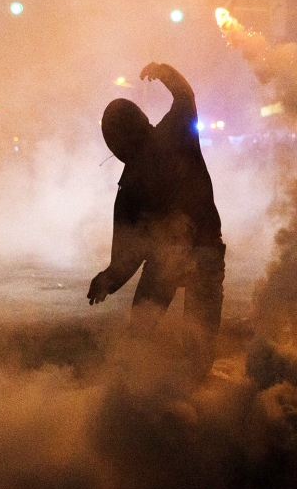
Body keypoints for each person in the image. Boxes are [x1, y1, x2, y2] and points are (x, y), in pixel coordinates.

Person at [88, 62, 225, 380]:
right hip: (193, 254)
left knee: (147, 338)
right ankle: (165, 398)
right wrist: (164, 72)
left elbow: (127, 253)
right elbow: (185, 96)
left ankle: (151, 401)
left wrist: (110, 278)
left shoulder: (133, 180)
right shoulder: (172, 135)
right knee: (185, 348)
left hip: (190, 256)